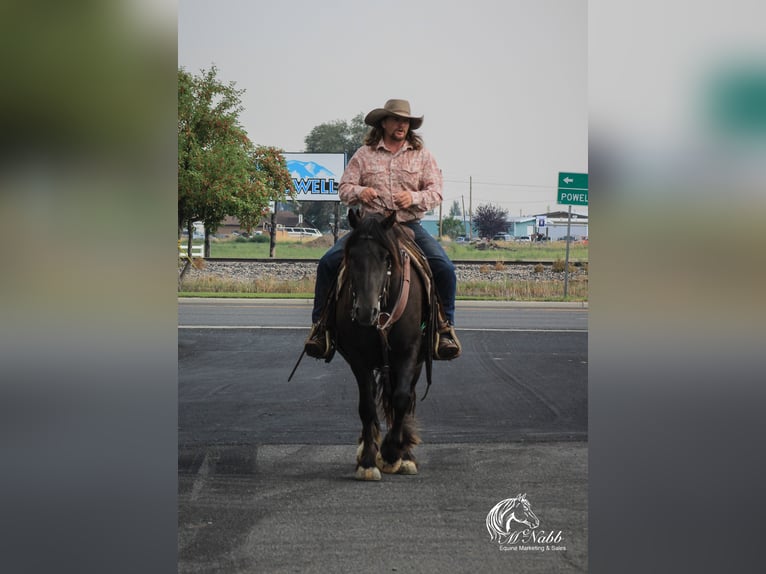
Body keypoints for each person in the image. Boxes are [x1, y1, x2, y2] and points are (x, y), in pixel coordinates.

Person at [303, 98, 461, 361]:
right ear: (383, 123)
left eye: (406, 121)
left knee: (445, 269)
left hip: (408, 226)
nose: (402, 125)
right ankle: (320, 328)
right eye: (397, 119)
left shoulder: (422, 155)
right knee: (328, 263)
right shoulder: (364, 154)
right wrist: (360, 192)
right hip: (370, 228)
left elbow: (436, 192)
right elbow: (344, 189)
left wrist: (414, 198)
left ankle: (444, 330)